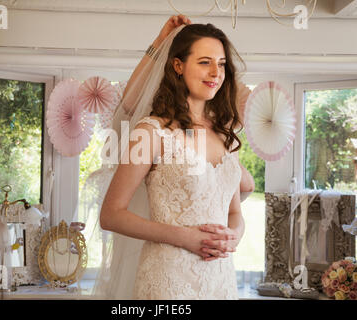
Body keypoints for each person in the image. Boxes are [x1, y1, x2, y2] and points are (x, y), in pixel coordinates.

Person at [99, 17, 247, 299]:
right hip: (168, 282)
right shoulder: (151, 132)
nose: (216, 72)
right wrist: (186, 238)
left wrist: (234, 236)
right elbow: (111, 215)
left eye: (222, 63)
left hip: (221, 282)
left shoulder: (225, 134)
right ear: (178, 66)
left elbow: (234, 213)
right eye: (204, 62)